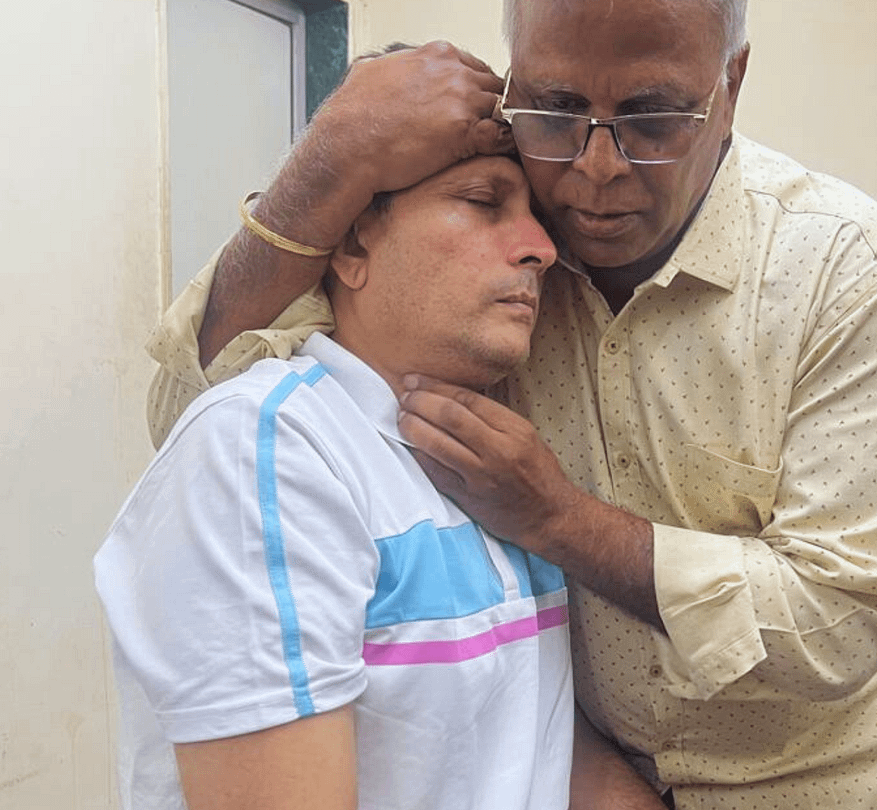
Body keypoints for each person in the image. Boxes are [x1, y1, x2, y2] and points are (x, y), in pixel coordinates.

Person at [147, 0, 877, 808]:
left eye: (652, 118)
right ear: (514, 78)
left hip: (820, 785)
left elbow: (840, 620)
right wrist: (332, 157)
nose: (594, 171)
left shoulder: (838, 264)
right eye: (557, 108)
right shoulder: (497, 253)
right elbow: (198, 407)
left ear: (730, 85)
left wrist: (559, 518)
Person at [96, 145, 666, 809]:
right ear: (353, 247)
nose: (541, 248)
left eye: (538, 217)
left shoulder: (490, 465)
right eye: (484, 203)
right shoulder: (270, 449)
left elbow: (533, 744)